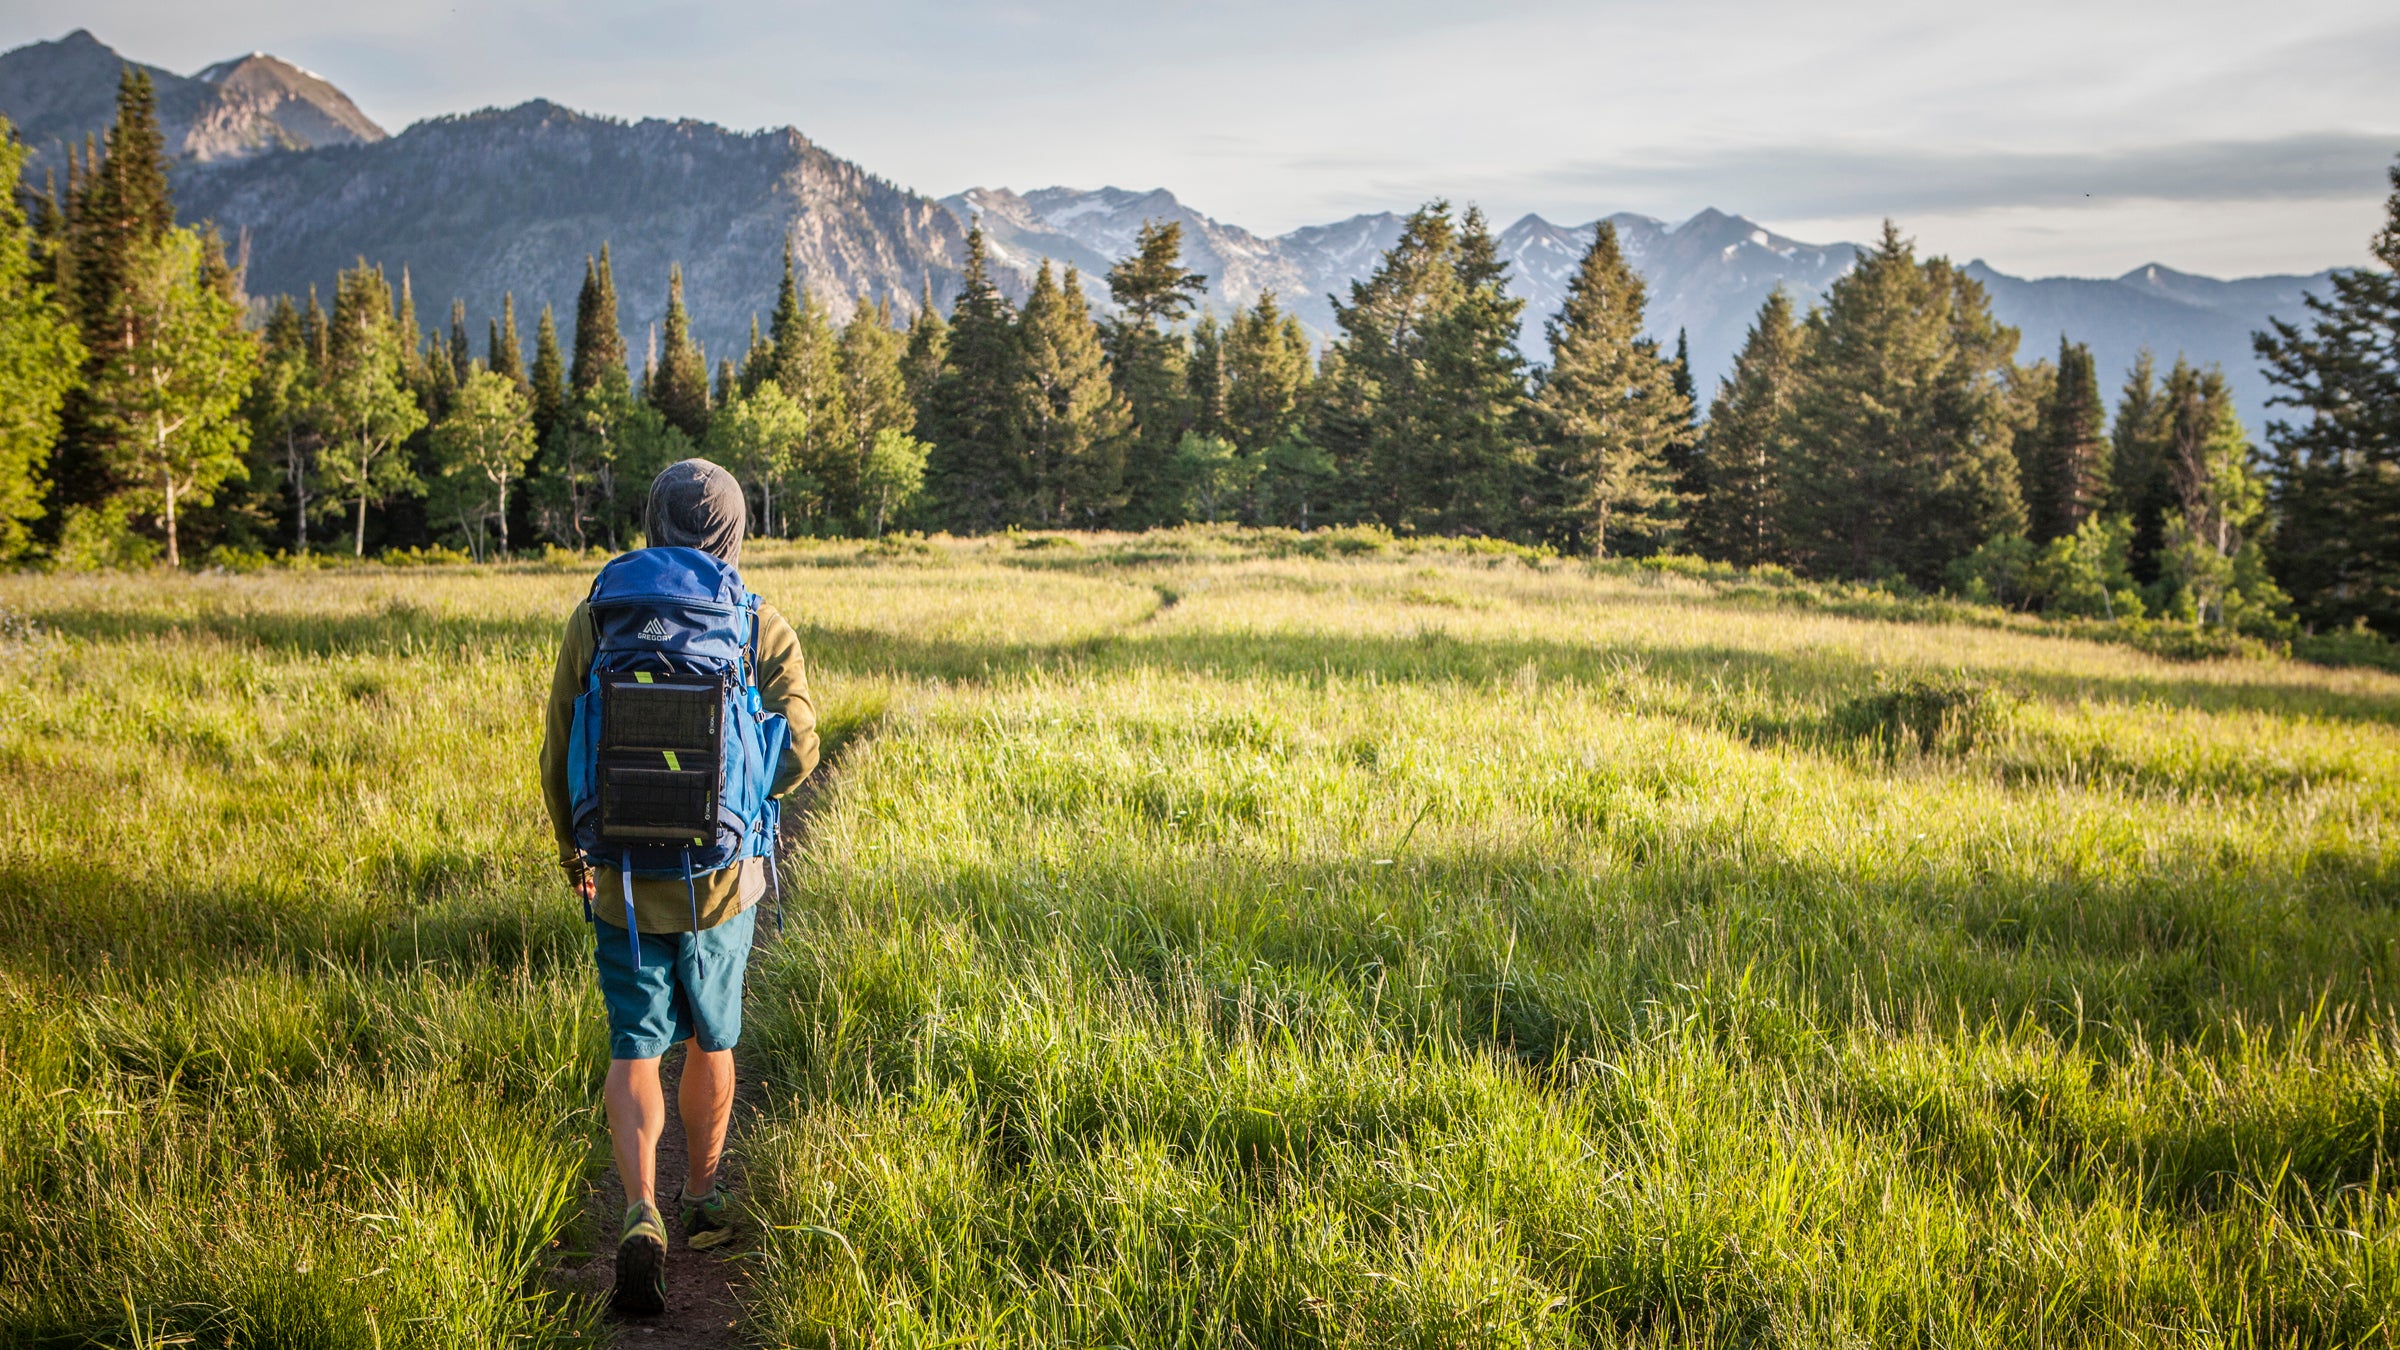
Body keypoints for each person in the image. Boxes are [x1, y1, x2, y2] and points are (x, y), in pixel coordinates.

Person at [538, 459, 819, 1316]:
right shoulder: (756, 620)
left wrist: (572, 854)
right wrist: (748, 790)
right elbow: (802, 747)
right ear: (733, 531)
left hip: (620, 877)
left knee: (635, 1042)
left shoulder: (598, 615)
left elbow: (558, 753)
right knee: (712, 1033)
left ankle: (639, 1211)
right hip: (721, 882)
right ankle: (702, 1200)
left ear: (654, 521)